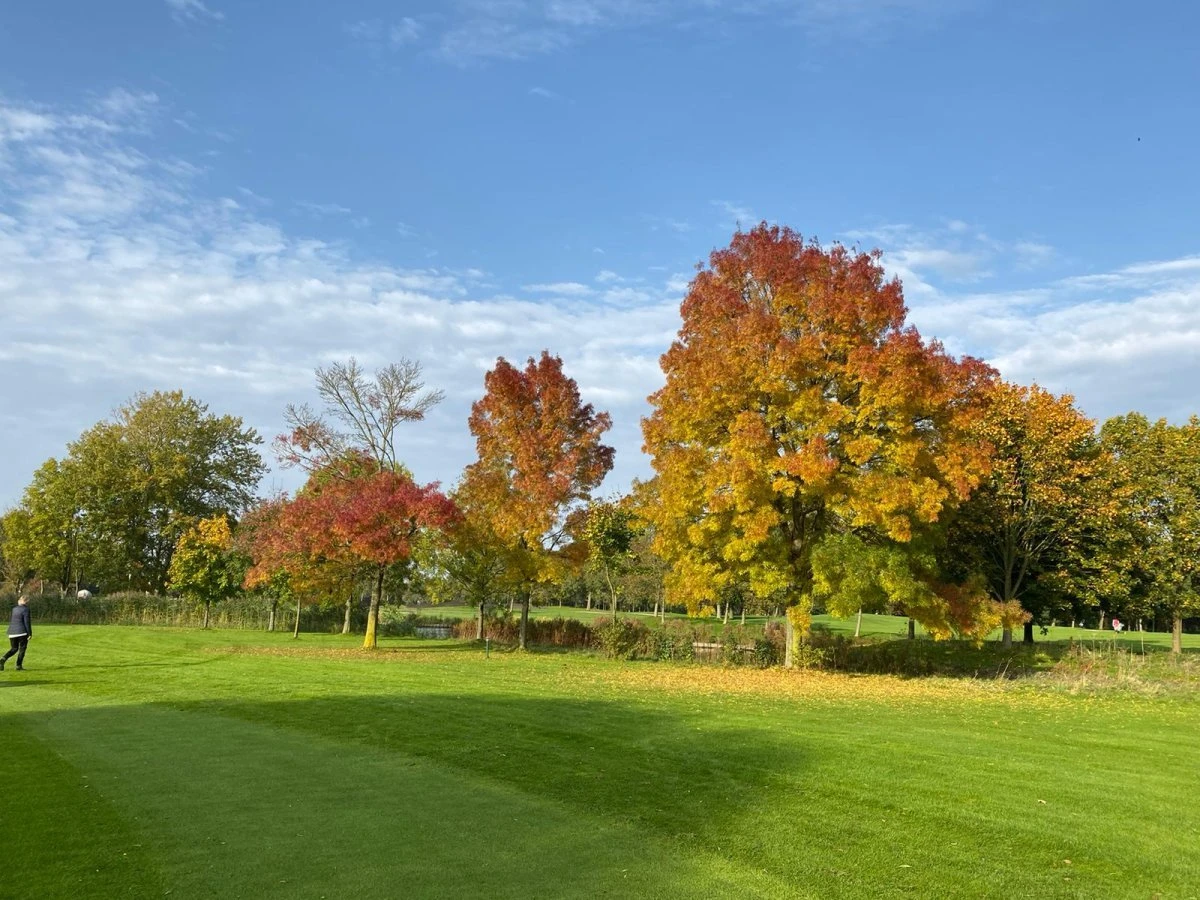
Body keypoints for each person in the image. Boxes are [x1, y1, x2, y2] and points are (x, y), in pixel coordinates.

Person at [2, 595, 31, 672]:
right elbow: (26, 622)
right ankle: (18, 665)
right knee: (22, 649)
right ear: (26, 601)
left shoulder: (14, 609)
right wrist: (29, 633)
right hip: (22, 632)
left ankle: (3, 659)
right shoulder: (26, 609)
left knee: (14, 649)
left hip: (12, 632)